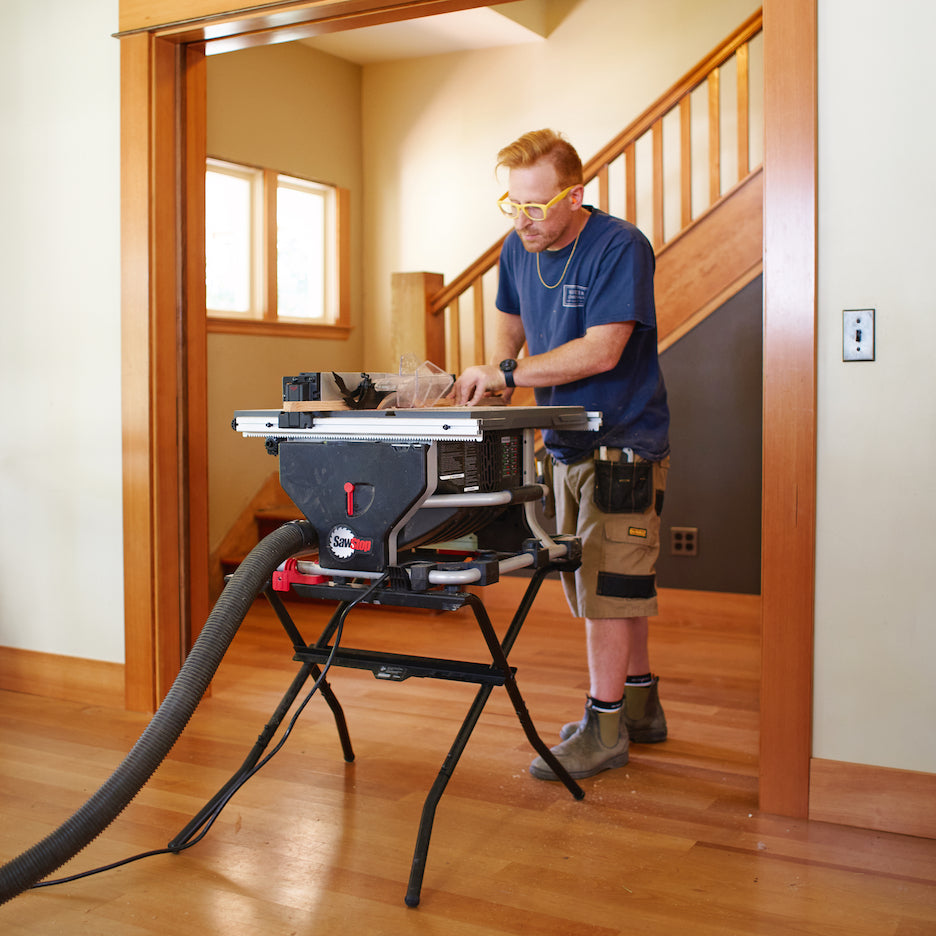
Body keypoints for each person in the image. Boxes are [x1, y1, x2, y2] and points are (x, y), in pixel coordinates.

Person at [452, 129, 670, 781]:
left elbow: (602, 350)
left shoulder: (619, 246)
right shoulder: (518, 250)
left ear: (576, 195)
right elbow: (510, 333)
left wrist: (510, 373)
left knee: (607, 586)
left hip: (625, 440)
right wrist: (497, 378)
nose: (525, 219)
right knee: (605, 582)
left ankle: (604, 728)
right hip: (565, 439)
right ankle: (640, 708)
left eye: (539, 205)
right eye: (514, 204)